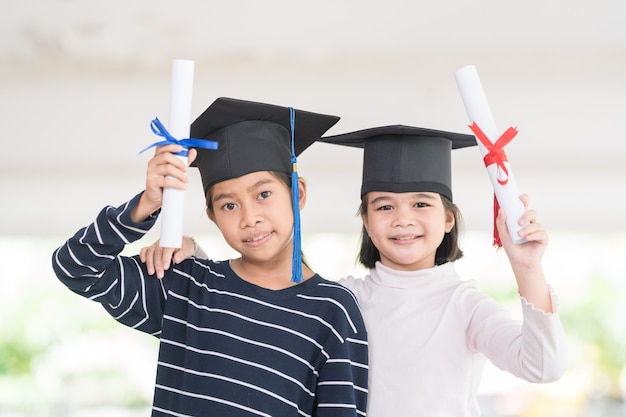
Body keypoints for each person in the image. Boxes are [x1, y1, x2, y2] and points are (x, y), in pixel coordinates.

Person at [144, 123, 568, 417]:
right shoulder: (344, 300)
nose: (402, 219)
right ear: (366, 220)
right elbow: (273, 289)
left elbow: (544, 367)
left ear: (449, 219)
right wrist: (193, 253)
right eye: (384, 206)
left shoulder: (466, 307)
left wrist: (526, 266)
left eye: (421, 204)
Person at [52, 97, 369, 416]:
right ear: (212, 216)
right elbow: (77, 267)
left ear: (297, 193)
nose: (249, 217)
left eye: (263, 194)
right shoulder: (183, 286)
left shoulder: (333, 310)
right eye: (228, 205)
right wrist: (145, 205)